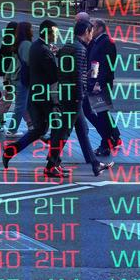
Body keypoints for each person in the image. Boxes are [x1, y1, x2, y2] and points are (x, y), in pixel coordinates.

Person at [44, 20, 114, 178]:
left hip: (65, 93)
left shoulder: (68, 47)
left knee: (82, 130)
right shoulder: (81, 50)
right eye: (90, 32)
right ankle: (51, 163)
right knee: (65, 131)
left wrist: (86, 74)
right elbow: (77, 77)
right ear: (86, 32)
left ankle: (95, 165)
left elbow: (66, 71)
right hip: (74, 97)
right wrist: (81, 96)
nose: (91, 36)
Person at [2, 20, 59, 170]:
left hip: (35, 93)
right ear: (48, 33)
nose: (56, 35)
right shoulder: (40, 49)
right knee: (58, 128)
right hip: (44, 94)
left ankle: (10, 151)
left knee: (39, 130)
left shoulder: (35, 46)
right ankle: (53, 164)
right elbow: (53, 74)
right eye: (55, 32)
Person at [84, 18, 122, 156]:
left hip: (101, 84)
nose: (90, 29)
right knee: (102, 114)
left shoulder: (106, 42)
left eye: (92, 26)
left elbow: (105, 65)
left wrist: (98, 82)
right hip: (95, 82)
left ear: (100, 28)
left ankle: (106, 145)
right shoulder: (96, 41)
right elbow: (94, 63)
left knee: (102, 115)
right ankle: (112, 139)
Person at [0, 22, 33, 137]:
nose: (33, 31)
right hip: (19, 78)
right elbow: (27, 63)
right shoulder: (25, 44)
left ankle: (31, 124)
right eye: (31, 29)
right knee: (21, 103)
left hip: (11, 76)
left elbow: (12, 60)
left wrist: (7, 77)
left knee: (13, 101)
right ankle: (14, 129)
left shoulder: (16, 43)